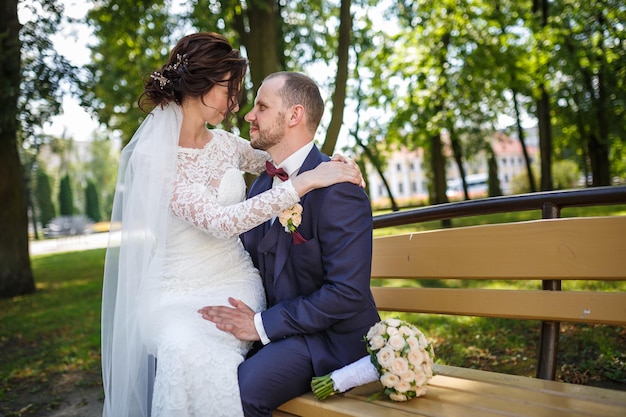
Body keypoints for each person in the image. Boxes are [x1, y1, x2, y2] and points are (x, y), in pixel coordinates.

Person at [101, 33, 363, 417]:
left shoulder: (227, 145)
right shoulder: (151, 158)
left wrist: (336, 167)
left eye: (252, 101)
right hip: (176, 289)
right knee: (178, 349)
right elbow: (224, 219)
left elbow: (282, 157)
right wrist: (303, 183)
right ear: (202, 84)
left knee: (197, 358)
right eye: (232, 92)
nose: (239, 108)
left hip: (239, 288)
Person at [199, 72, 381, 417]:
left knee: (239, 392)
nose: (249, 116)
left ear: (294, 116)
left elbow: (347, 293)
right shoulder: (261, 186)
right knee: (200, 368)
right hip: (280, 331)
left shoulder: (338, 186)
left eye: (262, 107)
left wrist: (260, 325)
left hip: (332, 341)